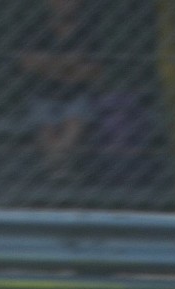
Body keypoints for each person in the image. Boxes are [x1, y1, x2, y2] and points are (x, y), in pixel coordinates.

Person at [16, 0, 103, 182]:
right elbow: (27, 63)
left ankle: (54, 170)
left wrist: (48, 65)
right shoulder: (36, 28)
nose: (64, 4)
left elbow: (91, 71)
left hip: (77, 94)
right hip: (42, 94)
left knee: (75, 119)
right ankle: (61, 171)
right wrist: (68, 64)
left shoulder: (88, 31)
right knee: (45, 123)